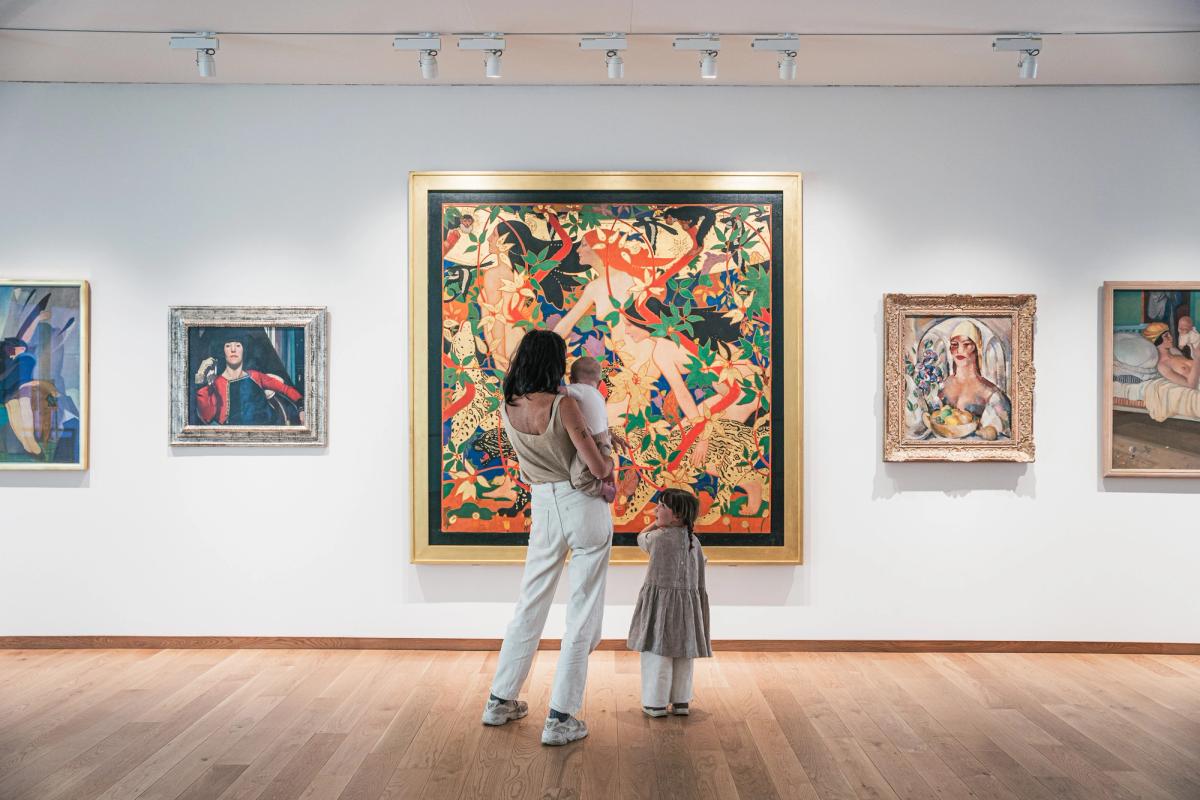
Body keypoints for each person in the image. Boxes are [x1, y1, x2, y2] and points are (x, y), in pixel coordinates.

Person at [482, 329, 615, 746]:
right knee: (581, 609)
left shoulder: (509, 406)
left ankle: (499, 701)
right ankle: (560, 718)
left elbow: (523, 469)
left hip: (542, 504)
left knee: (530, 602)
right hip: (581, 505)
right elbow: (596, 467)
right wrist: (608, 463)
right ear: (554, 363)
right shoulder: (565, 404)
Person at [627, 488, 711, 717]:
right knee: (684, 654)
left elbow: (639, 539)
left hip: (662, 608)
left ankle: (655, 703)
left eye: (661, 507)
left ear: (676, 516)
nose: (655, 509)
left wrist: (655, 524)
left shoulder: (658, 538)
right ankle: (681, 701)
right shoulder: (695, 541)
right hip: (687, 608)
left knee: (658, 652)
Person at [194, 331, 303, 425]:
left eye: (238, 345)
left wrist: (301, 408)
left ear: (243, 350)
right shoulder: (216, 383)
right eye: (228, 345)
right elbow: (206, 417)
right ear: (223, 351)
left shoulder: (255, 376)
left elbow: (285, 389)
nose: (233, 349)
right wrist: (200, 378)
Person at [562, 357, 623, 502]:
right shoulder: (599, 396)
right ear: (600, 382)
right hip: (604, 438)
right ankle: (608, 474)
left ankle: (604, 489)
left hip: (593, 441)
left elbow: (558, 392)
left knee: (579, 478)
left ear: (571, 379)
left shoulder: (578, 389)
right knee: (600, 462)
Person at [938, 320, 1012, 441]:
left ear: (977, 348)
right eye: (954, 344)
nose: (959, 350)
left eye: (966, 344)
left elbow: (1002, 436)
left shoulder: (990, 393)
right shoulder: (943, 386)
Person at [1144, 322, 1200, 389]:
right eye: (1166, 336)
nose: (1171, 337)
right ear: (1158, 341)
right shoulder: (1163, 366)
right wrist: (1197, 358)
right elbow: (1191, 385)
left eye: (1169, 334)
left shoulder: (1176, 353)